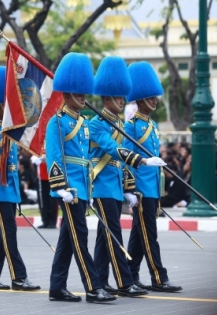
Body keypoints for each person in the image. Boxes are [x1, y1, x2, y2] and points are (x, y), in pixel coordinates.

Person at [90, 56, 166, 297]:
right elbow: (113, 151)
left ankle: (101, 280)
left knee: (105, 237)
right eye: (117, 96)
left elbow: (120, 163)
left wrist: (128, 187)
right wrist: (141, 160)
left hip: (114, 186)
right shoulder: (96, 123)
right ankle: (124, 282)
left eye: (123, 96)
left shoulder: (118, 123)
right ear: (106, 97)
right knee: (113, 234)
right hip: (101, 184)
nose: (122, 101)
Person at [45, 53, 116, 304]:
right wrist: (60, 187)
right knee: (79, 238)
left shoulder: (84, 123)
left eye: (85, 93)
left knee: (67, 239)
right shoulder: (57, 122)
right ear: (67, 93)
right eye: (79, 93)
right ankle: (93, 287)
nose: (84, 98)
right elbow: (53, 157)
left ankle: (57, 286)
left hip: (83, 187)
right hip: (69, 190)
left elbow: (88, 158)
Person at [0, 66, 40, 291]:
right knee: (8, 235)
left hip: (9, 191)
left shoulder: (10, 131)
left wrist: (16, 194)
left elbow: (11, 167)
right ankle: (18, 277)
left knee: (0, 236)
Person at [124, 61, 182, 292]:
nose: (155, 101)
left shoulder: (153, 124)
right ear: (139, 100)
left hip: (153, 186)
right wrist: (129, 189)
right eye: (150, 98)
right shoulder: (131, 126)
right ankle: (159, 277)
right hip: (140, 187)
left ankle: (130, 273)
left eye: (154, 97)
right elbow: (126, 158)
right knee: (149, 234)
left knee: (140, 234)